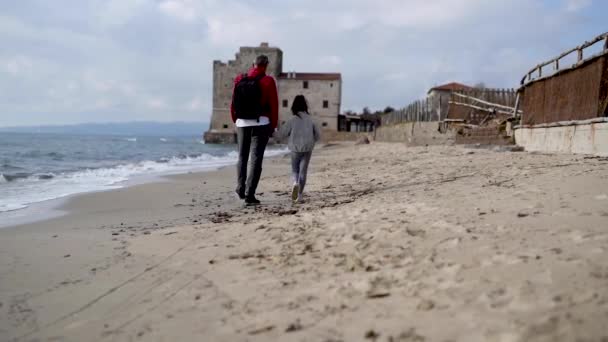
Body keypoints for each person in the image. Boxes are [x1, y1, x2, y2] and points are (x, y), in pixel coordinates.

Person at [230, 55, 278, 205]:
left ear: (253, 64)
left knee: (242, 157)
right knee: (256, 159)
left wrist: (236, 119)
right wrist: (273, 125)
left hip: (242, 122)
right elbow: (274, 104)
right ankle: (250, 195)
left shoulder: (239, 79)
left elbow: (233, 102)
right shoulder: (268, 81)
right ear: (266, 65)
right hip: (261, 121)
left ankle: (240, 187)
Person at [275, 95, 320, 203]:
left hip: (295, 148)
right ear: (305, 106)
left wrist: (273, 133)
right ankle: (299, 195)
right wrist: (312, 140)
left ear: (294, 106)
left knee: (295, 170)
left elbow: (282, 134)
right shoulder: (311, 120)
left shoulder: (292, 120)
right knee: (303, 172)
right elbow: (318, 135)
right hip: (307, 148)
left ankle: (295, 183)